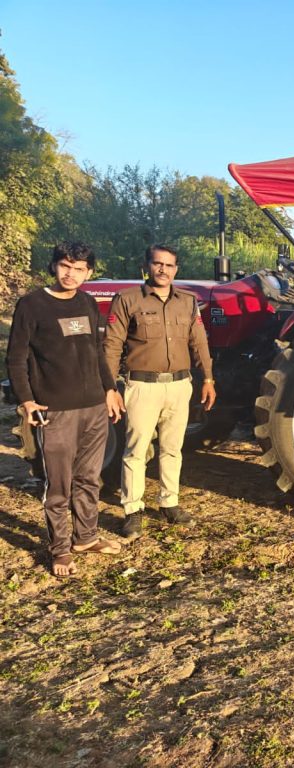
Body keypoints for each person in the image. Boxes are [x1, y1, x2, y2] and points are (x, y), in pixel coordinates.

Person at [6, 242, 124, 577]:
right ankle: (59, 549)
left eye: (79, 268)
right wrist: (27, 401)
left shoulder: (87, 302)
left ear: (89, 272)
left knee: (89, 478)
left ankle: (85, 538)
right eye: (65, 266)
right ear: (54, 266)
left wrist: (110, 389)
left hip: (93, 408)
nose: (71, 274)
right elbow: (16, 359)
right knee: (58, 485)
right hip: (54, 410)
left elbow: (96, 351)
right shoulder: (32, 304)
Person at [104, 244, 216, 541]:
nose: (163, 269)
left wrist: (208, 379)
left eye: (169, 265)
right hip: (142, 386)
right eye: (158, 264)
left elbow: (199, 343)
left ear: (176, 269)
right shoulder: (128, 300)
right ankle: (133, 509)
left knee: (172, 448)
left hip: (179, 386)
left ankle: (169, 503)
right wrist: (108, 387)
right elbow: (112, 346)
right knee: (136, 450)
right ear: (148, 266)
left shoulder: (188, 303)